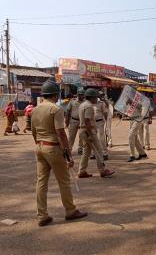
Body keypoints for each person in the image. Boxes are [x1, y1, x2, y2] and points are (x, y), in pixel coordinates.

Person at [31, 79, 87, 227]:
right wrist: (68, 153)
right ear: (56, 95)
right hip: (53, 148)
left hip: (39, 147)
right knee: (64, 181)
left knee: (41, 182)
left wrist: (39, 144)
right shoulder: (56, 109)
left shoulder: (35, 109)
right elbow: (61, 133)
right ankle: (70, 210)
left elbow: (34, 132)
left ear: (43, 95)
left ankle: (42, 215)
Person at [77, 88, 114, 178]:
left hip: (83, 130)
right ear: (92, 97)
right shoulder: (89, 106)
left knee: (86, 152)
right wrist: (90, 134)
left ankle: (82, 171)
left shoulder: (82, 105)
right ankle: (102, 170)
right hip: (88, 131)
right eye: (95, 97)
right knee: (98, 150)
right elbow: (87, 120)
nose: (96, 99)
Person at [127, 98, 148, 162]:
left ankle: (132, 155)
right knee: (135, 137)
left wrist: (133, 103)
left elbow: (142, 107)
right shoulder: (126, 98)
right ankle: (142, 153)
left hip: (138, 119)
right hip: (131, 120)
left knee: (130, 136)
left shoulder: (138, 98)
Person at [65, 88, 85, 154]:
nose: (81, 96)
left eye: (82, 95)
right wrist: (66, 121)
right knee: (71, 136)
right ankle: (69, 149)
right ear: (77, 95)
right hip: (73, 121)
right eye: (80, 95)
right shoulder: (72, 101)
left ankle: (80, 149)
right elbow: (68, 111)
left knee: (82, 136)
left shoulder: (85, 102)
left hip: (82, 121)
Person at [93, 91, 109, 161]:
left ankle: (105, 154)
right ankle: (95, 154)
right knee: (93, 139)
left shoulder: (101, 103)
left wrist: (106, 122)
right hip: (92, 123)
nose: (101, 96)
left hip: (99, 122)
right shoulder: (89, 103)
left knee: (101, 139)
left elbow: (105, 113)